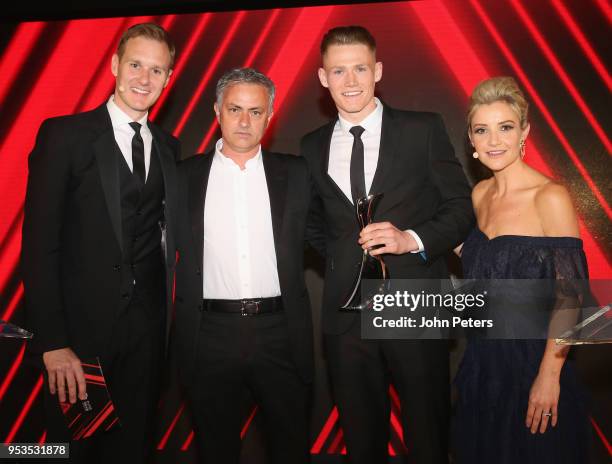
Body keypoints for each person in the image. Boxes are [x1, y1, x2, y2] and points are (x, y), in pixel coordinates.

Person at [300, 26, 474, 463]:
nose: (351, 80)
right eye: (339, 70)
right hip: (345, 316)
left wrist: (410, 240)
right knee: (361, 442)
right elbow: (311, 223)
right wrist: (344, 257)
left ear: (377, 70)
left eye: (360, 68)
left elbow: (460, 208)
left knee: (429, 437)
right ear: (323, 78)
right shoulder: (310, 146)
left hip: (414, 304)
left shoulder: (422, 128)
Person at [21, 23, 179, 463]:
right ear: (114, 65)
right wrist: (52, 342)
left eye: (156, 70)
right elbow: (38, 246)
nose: (144, 79)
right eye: (135, 65)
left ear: (168, 78)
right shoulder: (64, 136)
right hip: (77, 341)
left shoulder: (170, 148)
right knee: (72, 452)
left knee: (133, 450)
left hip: (145, 341)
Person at [173, 68, 313, 464]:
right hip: (209, 333)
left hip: (280, 331)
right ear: (217, 110)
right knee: (215, 449)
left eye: (255, 111)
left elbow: (329, 236)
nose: (245, 121)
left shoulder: (297, 173)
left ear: (270, 116)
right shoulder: (183, 177)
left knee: (290, 448)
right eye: (235, 109)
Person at [453, 76, 590, 463]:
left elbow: (572, 297)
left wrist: (549, 376)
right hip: (482, 363)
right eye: (483, 130)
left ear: (524, 132)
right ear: (472, 140)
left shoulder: (551, 197)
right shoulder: (479, 196)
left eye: (506, 127)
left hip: (535, 361)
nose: (494, 140)